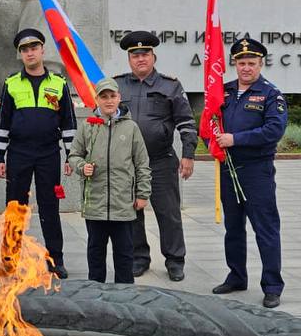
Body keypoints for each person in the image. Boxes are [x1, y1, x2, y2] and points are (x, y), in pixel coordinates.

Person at [114, 31, 198, 282]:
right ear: (129, 58)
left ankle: (175, 260)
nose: (140, 59)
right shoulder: (117, 85)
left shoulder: (170, 85)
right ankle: (139, 258)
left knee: (168, 212)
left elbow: (186, 122)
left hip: (160, 160)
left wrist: (189, 154)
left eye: (145, 54)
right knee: (132, 212)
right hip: (128, 162)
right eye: (135, 55)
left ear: (154, 56)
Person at [0, 28, 76, 277]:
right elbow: (3, 122)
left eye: (33, 48)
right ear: (20, 54)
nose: (29, 53)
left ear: (42, 50)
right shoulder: (11, 83)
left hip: (49, 154)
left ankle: (55, 260)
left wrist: (71, 155)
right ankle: (10, 260)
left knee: (50, 207)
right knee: (16, 207)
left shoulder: (59, 83)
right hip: (19, 153)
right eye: (24, 50)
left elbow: (69, 123)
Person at [212, 36, 288, 308]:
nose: (246, 68)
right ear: (234, 63)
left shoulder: (271, 94)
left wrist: (236, 139)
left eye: (251, 63)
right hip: (228, 169)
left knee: (265, 229)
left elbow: (273, 131)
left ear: (261, 63)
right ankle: (236, 276)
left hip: (257, 171)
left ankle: (272, 286)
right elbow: (212, 119)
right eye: (241, 63)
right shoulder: (224, 92)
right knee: (233, 228)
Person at [68, 78, 151, 284]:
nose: (108, 101)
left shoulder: (131, 128)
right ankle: (96, 292)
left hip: (122, 204)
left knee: (124, 253)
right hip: (95, 202)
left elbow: (142, 163)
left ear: (119, 98)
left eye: (112, 96)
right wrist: (81, 166)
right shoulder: (88, 127)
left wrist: (143, 193)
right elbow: (74, 155)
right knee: (95, 252)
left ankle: (125, 293)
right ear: (96, 99)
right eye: (103, 97)